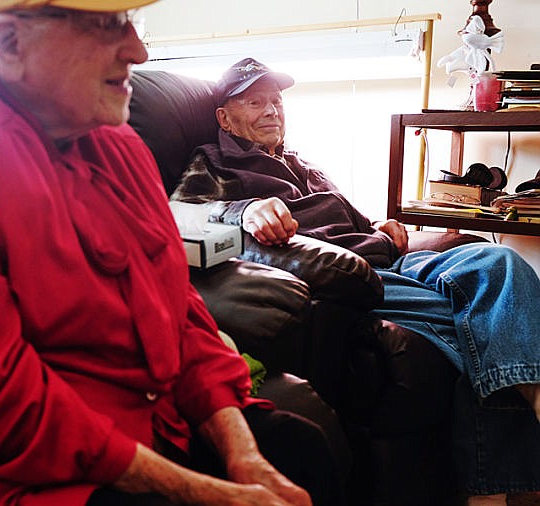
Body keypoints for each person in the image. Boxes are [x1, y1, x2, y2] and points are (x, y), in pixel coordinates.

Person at [0, 5, 347, 506]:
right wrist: (199, 490)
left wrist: (240, 454)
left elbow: (176, 310)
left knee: (297, 451)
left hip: (133, 419)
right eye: (108, 26)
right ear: (9, 45)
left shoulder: (114, 139)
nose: (139, 50)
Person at [171, 57, 540, 506]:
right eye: (255, 102)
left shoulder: (299, 162)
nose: (272, 111)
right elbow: (175, 213)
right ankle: (495, 492)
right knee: (481, 326)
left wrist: (381, 225)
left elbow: (354, 219)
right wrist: (240, 211)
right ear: (224, 117)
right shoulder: (214, 161)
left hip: (389, 257)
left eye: (276, 101)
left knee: (496, 260)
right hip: (354, 279)